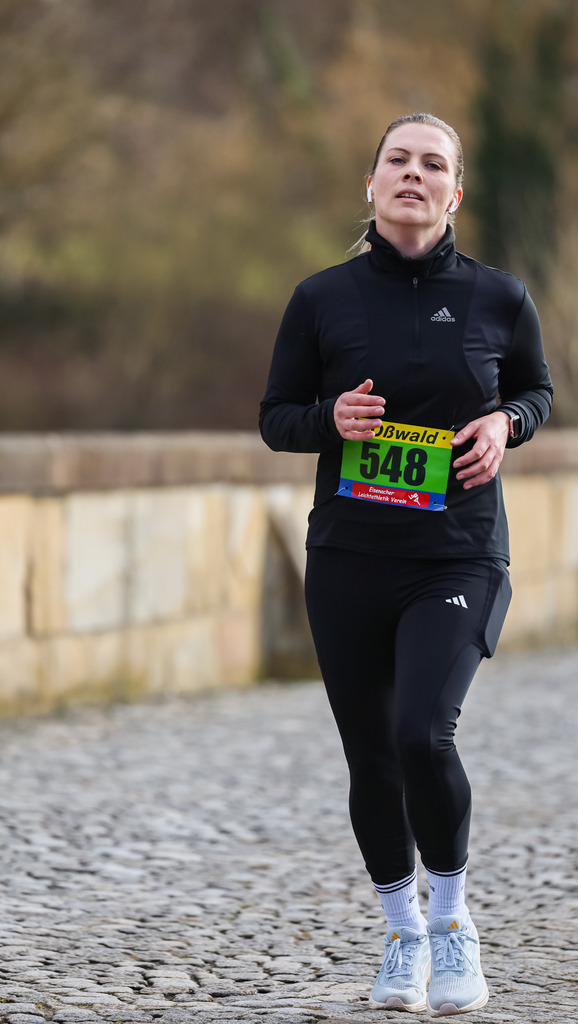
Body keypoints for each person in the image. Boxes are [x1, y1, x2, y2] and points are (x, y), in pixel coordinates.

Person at [259, 113, 552, 1016]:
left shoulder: (499, 297)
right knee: (372, 758)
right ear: (372, 184)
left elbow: (536, 390)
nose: (413, 175)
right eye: (398, 160)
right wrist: (328, 423)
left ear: (455, 192)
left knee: (423, 732)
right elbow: (277, 417)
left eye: (434, 165)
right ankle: (402, 932)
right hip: (350, 554)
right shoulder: (321, 298)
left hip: (456, 551)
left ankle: (455, 919)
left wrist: (508, 424)